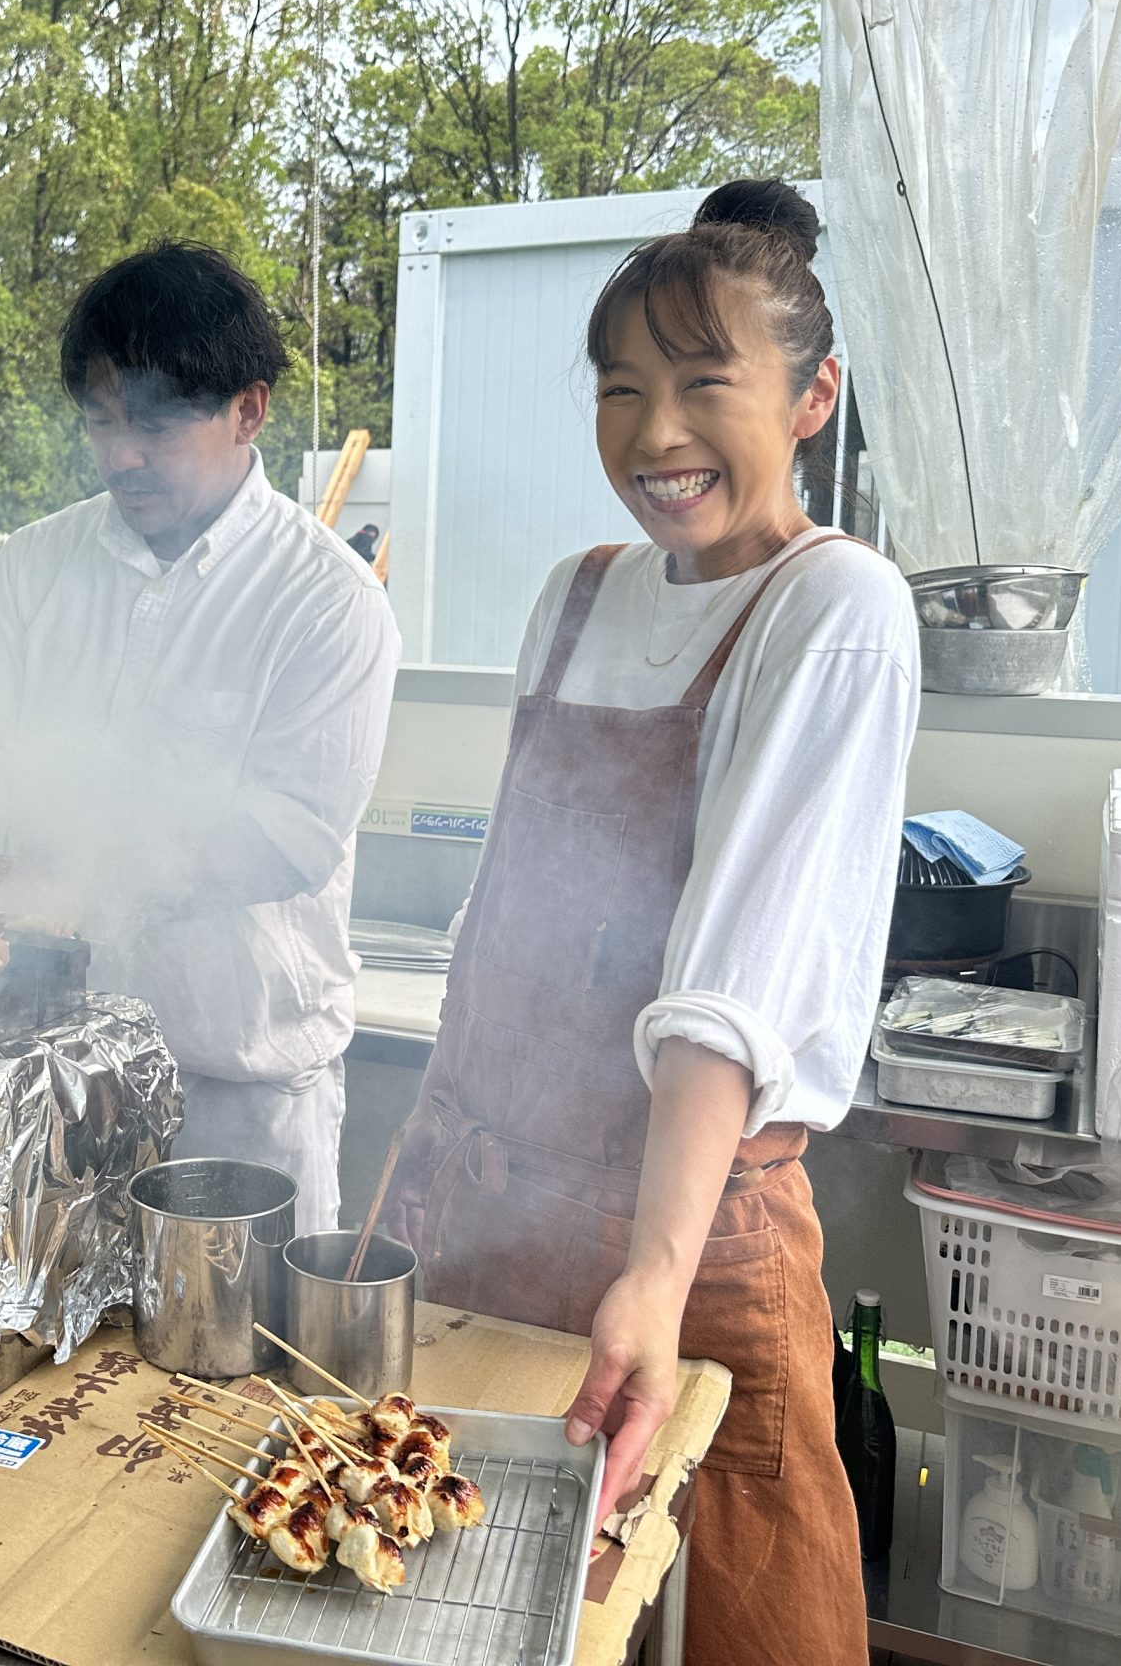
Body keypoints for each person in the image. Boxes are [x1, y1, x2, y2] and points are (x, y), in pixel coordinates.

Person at [386, 181, 918, 1661]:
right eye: (622, 391)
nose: (654, 434)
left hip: (681, 1233)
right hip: (486, 1209)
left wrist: (655, 1273)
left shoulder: (837, 607)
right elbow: (517, 912)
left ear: (814, 397)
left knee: (712, 1612)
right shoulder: (574, 596)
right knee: (441, 1593)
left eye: (703, 384)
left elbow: (727, 989)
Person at [0, 241, 400, 1230]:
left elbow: (284, 837)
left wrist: (78, 879)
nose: (121, 454)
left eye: (153, 421)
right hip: (34, 1069)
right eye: (100, 423)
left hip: (230, 1097)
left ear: (249, 408)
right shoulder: (36, 565)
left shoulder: (325, 600)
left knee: (226, 1379)